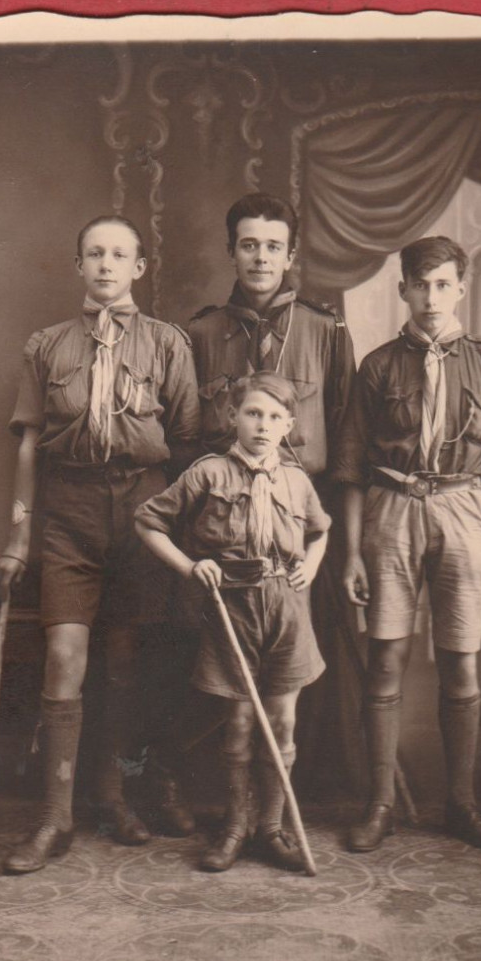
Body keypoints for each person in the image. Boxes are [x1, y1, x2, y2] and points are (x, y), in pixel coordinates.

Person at [333, 235, 481, 854]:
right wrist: (350, 552)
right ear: (402, 288)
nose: (430, 297)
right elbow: (350, 469)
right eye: (419, 284)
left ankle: (462, 805)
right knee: (386, 658)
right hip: (391, 507)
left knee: (460, 657)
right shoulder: (378, 367)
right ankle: (378, 807)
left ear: (462, 288)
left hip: (463, 507)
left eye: (442, 284)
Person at [0, 214, 200, 874]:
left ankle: (112, 796)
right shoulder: (47, 346)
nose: (106, 265)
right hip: (69, 512)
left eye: (119, 255)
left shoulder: (168, 344)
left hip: (142, 509)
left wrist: (173, 526)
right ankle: (54, 818)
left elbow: (187, 442)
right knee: (64, 652)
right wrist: (19, 534)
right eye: (94, 254)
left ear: (140, 267)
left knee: (122, 659)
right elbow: (29, 442)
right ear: (77, 264)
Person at [135, 372, 331, 873]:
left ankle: (271, 828)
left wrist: (311, 563)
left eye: (274, 417)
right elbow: (148, 521)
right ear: (232, 417)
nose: (262, 426)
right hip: (232, 608)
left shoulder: (297, 479)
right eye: (253, 413)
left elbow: (320, 531)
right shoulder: (208, 474)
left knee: (282, 720)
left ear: (288, 425)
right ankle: (235, 826)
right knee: (241, 722)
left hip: (287, 606)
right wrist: (191, 567)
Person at [188, 192, 354, 481]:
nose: (261, 258)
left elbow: (347, 433)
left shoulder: (325, 329)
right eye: (249, 246)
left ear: (289, 257)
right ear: (231, 253)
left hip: (301, 498)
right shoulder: (202, 333)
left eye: (273, 247)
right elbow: (186, 434)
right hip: (220, 500)